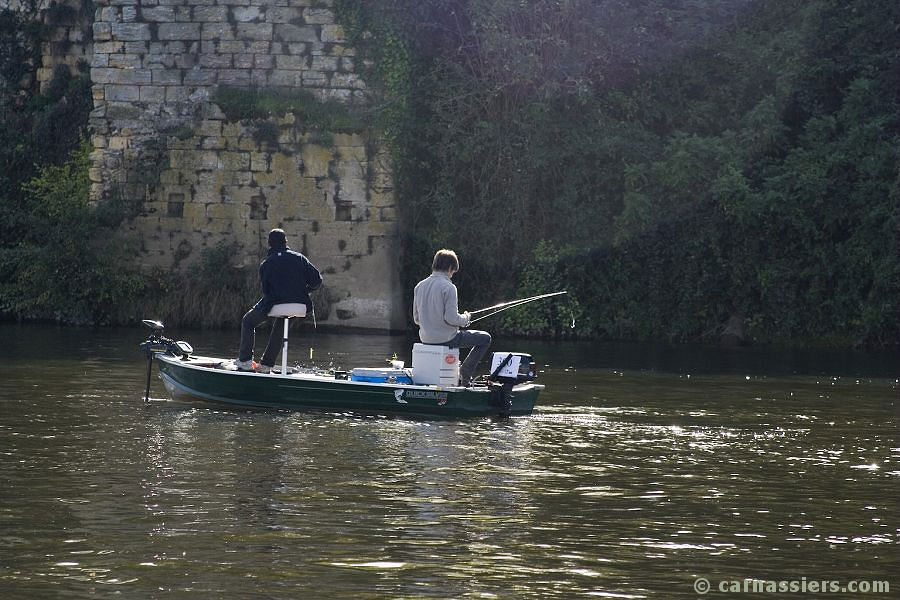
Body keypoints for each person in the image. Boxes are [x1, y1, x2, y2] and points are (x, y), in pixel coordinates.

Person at [236, 228, 322, 373]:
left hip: (276, 302)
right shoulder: (299, 258)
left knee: (248, 321)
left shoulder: (267, 263)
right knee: (282, 325)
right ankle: (266, 365)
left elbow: (266, 290)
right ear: (286, 242)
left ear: (269, 244)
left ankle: (245, 361)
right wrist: (304, 291)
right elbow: (317, 281)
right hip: (299, 305)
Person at [413, 249, 491, 386]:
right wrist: (466, 318)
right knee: (485, 338)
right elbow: (451, 319)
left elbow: (416, 319)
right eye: (453, 272)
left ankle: (460, 374)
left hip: (425, 339)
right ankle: (465, 373)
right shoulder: (449, 287)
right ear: (450, 268)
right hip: (447, 339)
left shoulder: (419, 286)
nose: (452, 275)